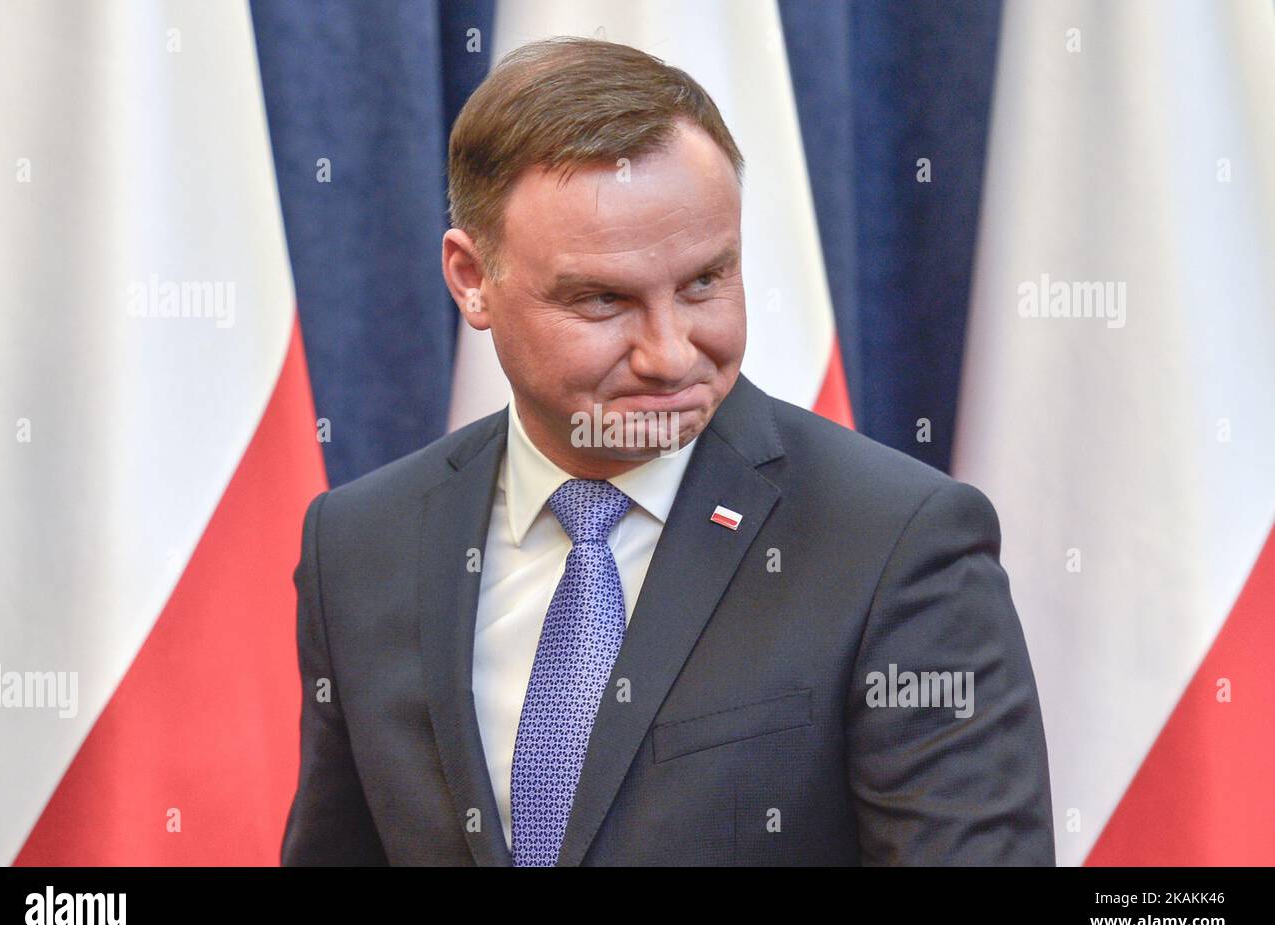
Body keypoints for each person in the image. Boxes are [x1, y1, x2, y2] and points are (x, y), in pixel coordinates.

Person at [280, 36, 1055, 866]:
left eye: (703, 283)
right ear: (472, 277)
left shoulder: (895, 544)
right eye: (603, 299)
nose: (671, 353)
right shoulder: (361, 545)